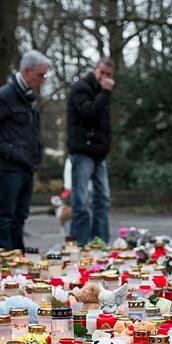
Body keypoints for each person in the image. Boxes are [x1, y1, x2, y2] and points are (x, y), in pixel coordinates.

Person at [0, 50, 47, 250]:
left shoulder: (29, 98)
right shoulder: (5, 96)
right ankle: (4, 258)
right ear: (26, 72)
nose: (42, 81)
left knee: (20, 215)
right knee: (6, 215)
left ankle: (18, 255)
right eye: (40, 75)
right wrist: (9, 151)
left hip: (27, 165)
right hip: (9, 166)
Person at [67, 57, 114, 246]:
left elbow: (104, 123)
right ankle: (79, 243)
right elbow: (89, 113)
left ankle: (100, 242)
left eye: (109, 74)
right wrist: (105, 92)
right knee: (81, 199)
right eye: (102, 73)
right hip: (82, 151)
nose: (105, 77)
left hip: (98, 152)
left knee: (103, 198)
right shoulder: (81, 88)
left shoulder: (103, 92)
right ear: (95, 69)